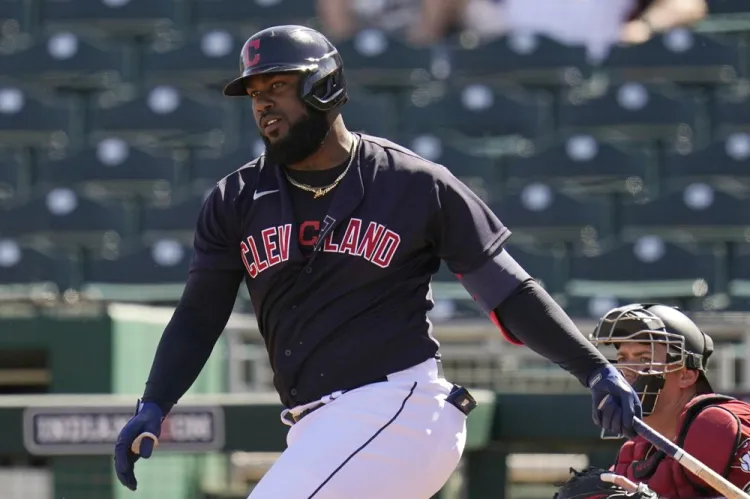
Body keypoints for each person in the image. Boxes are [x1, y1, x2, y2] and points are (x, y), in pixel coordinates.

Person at [113, 24, 642, 498]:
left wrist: (593, 368)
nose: (263, 105)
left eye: (277, 86)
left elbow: (507, 289)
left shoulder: (412, 183)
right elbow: (200, 315)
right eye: (254, 93)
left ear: (324, 87)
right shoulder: (236, 198)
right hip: (315, 428)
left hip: (400, 409)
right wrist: (155, 403)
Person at [582, 303, 750, 498]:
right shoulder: (634, 453)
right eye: (622, 358)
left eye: (644, 359)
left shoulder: (716, 424)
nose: (625, 371)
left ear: (686, 375)